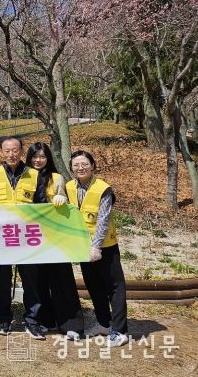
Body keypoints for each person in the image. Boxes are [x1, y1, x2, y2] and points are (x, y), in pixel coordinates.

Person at [0, 137, 47, 339]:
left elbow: (42, 205)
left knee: (31, 282)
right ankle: (4, 320)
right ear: (2, 152)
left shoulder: (34, 175)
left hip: (27, 238)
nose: (11, 154)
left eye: (15, 150)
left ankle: (32, 321)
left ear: (21, 152)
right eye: (7, 151)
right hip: (1, 237)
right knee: (2, 281)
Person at [67, 150, 128, 347]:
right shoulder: (69, 187)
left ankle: (120, 331)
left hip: (105, 246)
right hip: (83, 246)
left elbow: (103, 219)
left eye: (84, 164)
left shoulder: (103, 188)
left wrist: (96, 247)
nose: (80, 168)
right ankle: (103, 323)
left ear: (93, 165)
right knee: (93, 285)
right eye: (76, 165)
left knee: (115, 287)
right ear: (71, 168)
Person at [26, 142, 84, 340]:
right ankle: (46, 319)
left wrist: (61, 199)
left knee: (61, 279)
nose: (38, 160)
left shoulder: (56, 178)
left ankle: (71, 324)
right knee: (38, 281)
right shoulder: (24, 178)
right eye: (35, 156)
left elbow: (67, 202)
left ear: (48, 158)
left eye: (42, 156)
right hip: (31, 238)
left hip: (55, 237)